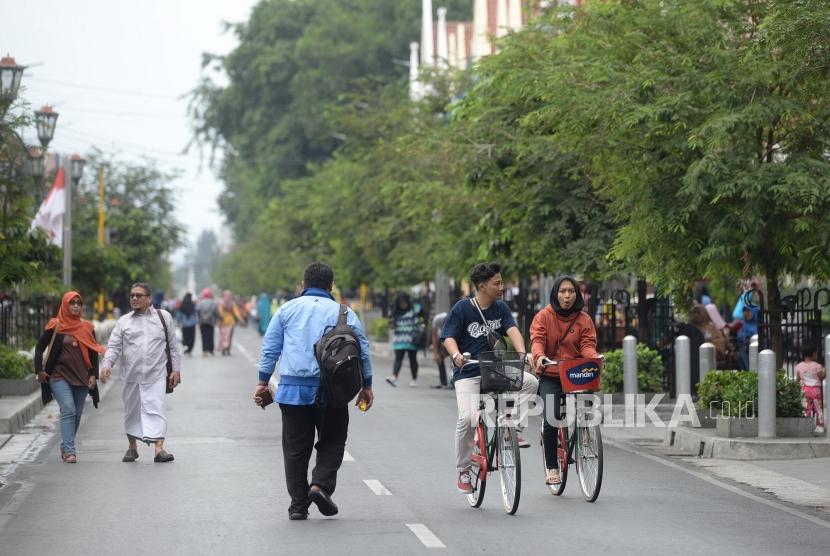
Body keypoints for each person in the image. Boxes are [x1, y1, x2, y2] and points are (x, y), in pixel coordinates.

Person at [253, 262, 374, 520]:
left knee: (296, 450)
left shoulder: (287, 310)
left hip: (293, 392)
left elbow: (270, 349)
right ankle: (320, 485)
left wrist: (263, 382)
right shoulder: (344, 313)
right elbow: (362, 349)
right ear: (331, 286)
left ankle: (298, 505)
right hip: (334, 391)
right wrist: (367, 385)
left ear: (303, 285)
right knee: (332, 440)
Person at [441, 262, 538, 494]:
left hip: (496, 369)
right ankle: (464, 470)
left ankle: (511, 426)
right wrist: (455, 355)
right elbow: (448, 337)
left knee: (530, 382)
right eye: (497, 283)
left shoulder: (501, 308)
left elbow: (513, 330)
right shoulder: (462, 309)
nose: (502, 286)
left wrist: (524, 354)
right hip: (469, 373)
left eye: (501, 282)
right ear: (482, 286)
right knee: (467, 417)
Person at [530, 276, 600, 486]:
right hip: (551, 374)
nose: (567, 296)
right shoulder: (543, 317)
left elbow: (587, 344)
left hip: (575, 373)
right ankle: (552, 467)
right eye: (563, 291)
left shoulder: (584, 319)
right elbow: (537, 341)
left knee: (587, 405)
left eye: (571, 291)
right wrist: (540, 357)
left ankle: (585, 432)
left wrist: (593, 356)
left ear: (577, 294)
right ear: (555, 294)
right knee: (551, 418)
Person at [100, 282, 182, 463]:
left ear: (149, 299)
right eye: (132, 295)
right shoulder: (124, 322)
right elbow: (113, 347)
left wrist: (175, 370)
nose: (134, 298)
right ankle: (132, 447)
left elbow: (174, 347)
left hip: (157, 374)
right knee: (132, 411)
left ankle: (159, 449)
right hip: (131, 375)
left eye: (139, 295)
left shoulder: (164, 317)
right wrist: (107, 365)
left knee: (157, 409)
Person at [34, 291, 107, 463]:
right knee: (68, 410)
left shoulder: (87, 328)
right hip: (59, 376)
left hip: (81, 377)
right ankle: (69, 451)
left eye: (78, 303)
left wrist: (93, 375)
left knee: (77, 414)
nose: (75, 306)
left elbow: (93, 351)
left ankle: (66, 444)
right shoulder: (55, 326)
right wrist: (39, 370)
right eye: (72, 303)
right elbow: (39, 349)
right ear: (65, 305)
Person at [386, 293, 423, 387]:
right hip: (399, 339)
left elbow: (425, 313)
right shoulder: (394, 311)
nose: (403, 305)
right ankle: (394, 376)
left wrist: (423, 324)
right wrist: (391, 323)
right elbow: (391, 325)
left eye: (404, 303)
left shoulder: (415, 308)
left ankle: (414, 379)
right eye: (401, 303)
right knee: (398, 359)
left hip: (412, 338)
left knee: (413, 359)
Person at [795, 343, 826, 434]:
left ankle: (806, 426)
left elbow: (798, 379)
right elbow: (821, 376)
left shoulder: (799, 366)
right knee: (818, 408)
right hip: (815, 390)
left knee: (806, 408)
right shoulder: (817, 366)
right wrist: (826, 372)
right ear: (813, 353)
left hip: (804, 390)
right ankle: (819, 426)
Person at [217, 289, 242, 356]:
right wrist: (240, 319)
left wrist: (221, 317)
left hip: (223, 322)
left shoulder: (221, 302)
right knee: (229, 336)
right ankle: (227, 348)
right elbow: (236, 312)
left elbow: (219, 312)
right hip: (230, 322)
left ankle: (224, 348)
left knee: (223, 336)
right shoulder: (232, 303)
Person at [431, 311, 451, 389]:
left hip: (454, 339)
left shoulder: (453, 319)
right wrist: (436, 353)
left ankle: (454, 381)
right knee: (439, 358)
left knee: (456, 358)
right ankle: (444, 383)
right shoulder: (437, 319)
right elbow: (434, 336)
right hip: (441, 339)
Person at [196, 287, 219, 356]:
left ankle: (204, 350)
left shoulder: (200, 303)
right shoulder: (213, 303)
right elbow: (216, 312)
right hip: (211, 322)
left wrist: (200, 318)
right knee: (210, 335)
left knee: (204, 336)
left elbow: (197, 311)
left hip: (202, 322)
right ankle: (211, 349)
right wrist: (217, 319)